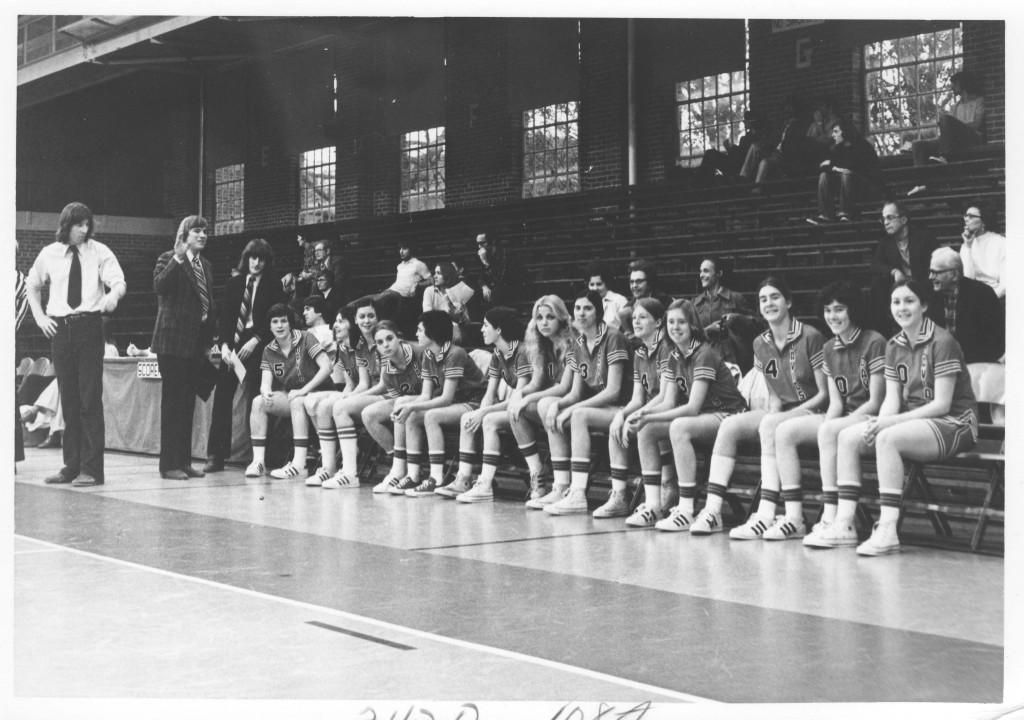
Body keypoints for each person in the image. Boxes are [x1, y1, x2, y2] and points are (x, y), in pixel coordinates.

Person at [838, 280, 978, 556]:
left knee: (888, 438)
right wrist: (880, 421)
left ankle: (888, 529)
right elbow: (891, 400)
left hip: (956, 423)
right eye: (896, 302)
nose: (901, 307)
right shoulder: (893, 345)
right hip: (914, 423)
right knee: (847, 437)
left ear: (924, 305)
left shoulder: (943, 341)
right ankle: (844, 523)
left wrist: (888, 424)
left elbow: (941, 404)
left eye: (909, 301)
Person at [689, 276, 828, 537]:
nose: (769, 303)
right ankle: (712, 511)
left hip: (814, 410)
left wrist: (781, 418)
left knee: (770, 423)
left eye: (775, 297)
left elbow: (824, 395)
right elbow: (774, 397)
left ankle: (766, 513)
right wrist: (775, 415)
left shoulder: (811, 336)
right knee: (730, 425)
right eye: (763, 299)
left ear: (788, 302)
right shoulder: (759, 343)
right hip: (780, 412)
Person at [769, 282, 887, 545]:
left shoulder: (874, 341)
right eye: (828, 310)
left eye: (839, 309)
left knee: (832, 430)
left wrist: (834, 427)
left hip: (871, 416)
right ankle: (794, 517)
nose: (833, 316)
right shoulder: (829, 348)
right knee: (785, 431)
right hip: (845, 417)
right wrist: (829, 428)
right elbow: (835, 403)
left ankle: (836, 518)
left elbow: (877, 401)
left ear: (852, 310)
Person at [623, 299, 747, 532]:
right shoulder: (673, 356)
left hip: (728, 414)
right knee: (647, 430)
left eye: (681, 322)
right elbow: (667, 401)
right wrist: (643, 414)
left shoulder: (704, 353)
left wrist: (649, 416)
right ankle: (653, 505)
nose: (675, 327)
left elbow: (691, 408)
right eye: (671, 322)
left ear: (692, 325)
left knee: (679, 427)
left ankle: (687, 509)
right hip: (703, 416)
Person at [26, 202, 126, 487]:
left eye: (87, 225)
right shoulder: (49, 254)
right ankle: (70, 466)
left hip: (88, 326)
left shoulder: (99, 251)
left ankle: (92, 469)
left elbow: (118, 281)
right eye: (78, 225)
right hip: (60, 329)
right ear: (66, 225)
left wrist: (113, 296)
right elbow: (32, 285)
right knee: (68, 400)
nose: (84, 230)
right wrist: (40, 317)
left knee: (89, 399)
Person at [531, 290, 631, 513]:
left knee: (578, 415)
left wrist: (572, 409)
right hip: (601, 407)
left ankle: (578, 494)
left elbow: (613, 391)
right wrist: (557, 405)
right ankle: (561, 485)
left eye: (588, 308)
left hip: (623, 406)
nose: (582, 313)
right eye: (578, 308)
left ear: (598, 312)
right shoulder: (578, 342)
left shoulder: (614, 337)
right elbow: (575, 393)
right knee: (550, 407)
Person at [382, 310, 487, 496]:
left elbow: (445, 398)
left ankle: (436, 478)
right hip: (455, 402)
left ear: (433, 332)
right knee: (411, 416)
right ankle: (413, 476)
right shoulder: (428, 355)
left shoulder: (455, 354)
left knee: (431, 416)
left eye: (420, 330)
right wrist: (406, 407)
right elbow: (425, 395)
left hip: (475, 402)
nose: (416, 334)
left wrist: (412, 405)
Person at [587, 298, 673, 522]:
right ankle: (619, 496)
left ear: (658, 322)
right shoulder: (641, 353)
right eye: (634, 317)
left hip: (672, 408)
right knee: (618, 425)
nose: (636, 321)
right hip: (654, 408)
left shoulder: (668, 349)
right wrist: (622, 414)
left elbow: (665, 397)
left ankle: (667, 486)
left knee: (643, 424)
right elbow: (637, 398)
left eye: (643, 317)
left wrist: (636, 414)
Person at [205, 238, 284, 472]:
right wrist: (225, 346)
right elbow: (227, 318)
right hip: (234, 346)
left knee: (255, 399)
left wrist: (256, 339)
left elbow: (275, 319)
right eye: (253, 258)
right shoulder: (235, 283)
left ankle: (258, 456)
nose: (256, 263)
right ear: (246, 258)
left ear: (266, 261)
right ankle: (215, 456)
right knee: (222, 399)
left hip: (259, 344)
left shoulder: (273, 284)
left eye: (261, 259)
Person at [151, 215, 217, 480]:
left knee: (188, 404)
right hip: (172, 343)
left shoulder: (207, 266)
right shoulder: (168, 258)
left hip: (195, 343)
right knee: (173, 404)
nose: (202, 235)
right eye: (197, 231)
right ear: (184, 235)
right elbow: (159, 286)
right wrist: (178, 259)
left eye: (205, 231)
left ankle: (184, 461)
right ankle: (169, 465)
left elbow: (207, 302)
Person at [445, 307, 530, 502]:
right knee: (468, 417)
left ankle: (485, 484)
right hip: (513, 407)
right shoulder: (497, 354)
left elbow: (519, 396)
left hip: (527, 405)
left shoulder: (523, 351)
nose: (482, 330)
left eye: (485, 325)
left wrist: (484, 412)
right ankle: (464, 479)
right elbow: (490, 393)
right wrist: (480, 411)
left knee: (489, 418)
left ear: (498, 330)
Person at [245, 303, 333, 479]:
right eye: (275, 322)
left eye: (283, 321)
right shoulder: (268, 350)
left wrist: (304, 390)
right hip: (295, 396)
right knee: (258, 402)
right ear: (269, 326)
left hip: (321, 392)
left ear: (290, 323)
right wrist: (266, 391)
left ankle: (299, 464)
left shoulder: (306, 337)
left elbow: (327, 367)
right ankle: (258, 462)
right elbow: (265, 382)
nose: (279, 326)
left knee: (297, 400)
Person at [306, 301, 385, 489]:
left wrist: (348, 398)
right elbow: (358, 383)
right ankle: (329, 467)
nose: (366, 321)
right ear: (356, 320)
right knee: (325, 406)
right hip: (369, 394)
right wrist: (347, 396)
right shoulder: (360, 346)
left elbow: (383, 385)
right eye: (362, 317)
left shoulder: (384, 340)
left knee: (339, 406)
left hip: (386, 395)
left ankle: (350, 473)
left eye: (370, 316)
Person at [506, 295, 576, 503]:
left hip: (573, 401)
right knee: (515, 411)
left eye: (550, 317)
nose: (544, 322)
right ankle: (538, 472)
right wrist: (519, 395)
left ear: (562, 319)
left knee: (543, 404)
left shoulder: (572, 343)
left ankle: (562, 483)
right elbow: (535, 383)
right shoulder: (539, 344)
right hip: (552, 403)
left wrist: (529, 399)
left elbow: (565, 387)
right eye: (539, 318)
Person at [361, 320, 427, 492]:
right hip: (412, 405)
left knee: (400, 403)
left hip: (434, 399)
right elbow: (399, 399)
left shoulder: (420, 353)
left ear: (399, 338)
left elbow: (438, 390)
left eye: (389, 339)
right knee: (369, 414)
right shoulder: (388, 371)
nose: (386, 345)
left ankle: (400, 470)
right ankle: (399, 464)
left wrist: (406, 404)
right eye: (380, 342)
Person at [868, 201, 940, 336]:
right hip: (900, 285)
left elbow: (938, 261)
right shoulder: (885, 242)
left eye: (889, 218)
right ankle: (882, 334)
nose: (885, 223)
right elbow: (875, 265)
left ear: (903, 219)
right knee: (877, 282)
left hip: (922, 283)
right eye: (883, 219)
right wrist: (894, 271)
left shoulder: (924, 237)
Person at [926, 247, 1004, 363]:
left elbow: (995, 341)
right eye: (930, 272)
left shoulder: (982, 295)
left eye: (936, 273)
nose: (930, 277)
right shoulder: (930, 294)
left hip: (976, 364)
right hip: (942, 363)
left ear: (954, 275)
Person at [807, 118, 882, 224]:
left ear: (845, 132)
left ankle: (846, 213)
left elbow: (854, 167)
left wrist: (835, 166)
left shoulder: (862, 146)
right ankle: (826, 215)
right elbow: (823, 167)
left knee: (847, 174)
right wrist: (835, 168)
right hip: (848, 187)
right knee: (824, 176)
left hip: (869, 188)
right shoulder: (838, 148)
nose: (832, 135)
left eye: (836, 132)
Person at [691, 257, 760, 372]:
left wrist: (738, 318)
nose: (701, 275)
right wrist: (708, 330)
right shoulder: (695, 303)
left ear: (719, 273)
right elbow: (690, 334)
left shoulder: (736, 298)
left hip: (733, 361)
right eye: (700, 271)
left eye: (706, 271)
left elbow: (757, 325)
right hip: (705, 360)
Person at [347, 242, 432, 329]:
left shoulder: (419, 264)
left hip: (399, 296)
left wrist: (417, 284)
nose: (401, 251)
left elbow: (431, 281)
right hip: (390, 292)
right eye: (400, 249)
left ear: (411, 249)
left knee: (373, 302)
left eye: (405, 248)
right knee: (356, 303)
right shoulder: (400, 266)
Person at [912, 71, 985, 166]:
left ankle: (944, 157)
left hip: (972, 138)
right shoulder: (955, 107)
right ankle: (920, 177)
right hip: (954, 140)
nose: (952, 88)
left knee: (946, 119)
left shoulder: (978, 101)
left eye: (955, 85)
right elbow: (948, 131)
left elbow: (977, 124)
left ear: (962, 84)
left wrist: (954, 128)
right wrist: (947, 128)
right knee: (918, 145)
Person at [616, 258, 673, 344]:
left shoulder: (665, 302)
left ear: (649, 283)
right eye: (632, 282)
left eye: (639, 281)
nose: (634, 285)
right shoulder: (628, 307)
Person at [959, 200, 1005, 299]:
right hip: (974, 299)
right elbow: (968, 279)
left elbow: (1005, 284)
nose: (966, 219)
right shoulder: (966, 245)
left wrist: (989, 300)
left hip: (996, 297)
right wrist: (968, 246)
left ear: (984, 221)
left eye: (971, 216)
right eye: (965, 215)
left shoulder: (1001, 243)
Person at [422, 260, 474, 343]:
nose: (434, 276)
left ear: (447, 274)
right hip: (435, 329)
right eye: (435, 273)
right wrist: (447, 317)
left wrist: (461, 315)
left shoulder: (457, 292)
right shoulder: (429, 291)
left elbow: (467, 323)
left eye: (439, 273)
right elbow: (427, 315)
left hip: (454, 333)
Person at [476, 232, 529, 311]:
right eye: (478, 244)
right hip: (498, 290)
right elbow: (480, 277)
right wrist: (484, 286)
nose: (479, 247)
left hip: (512, 288)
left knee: (496, 294)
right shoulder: (485, 255)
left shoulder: (505, 255)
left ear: (492, 242)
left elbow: (499, 280)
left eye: (482, 243)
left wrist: (486, 263)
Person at [583, 259, 629, 330]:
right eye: (592, 285)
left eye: (599, 284)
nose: (595, 288)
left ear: (607, 284)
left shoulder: (619, 300)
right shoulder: (584, 302)